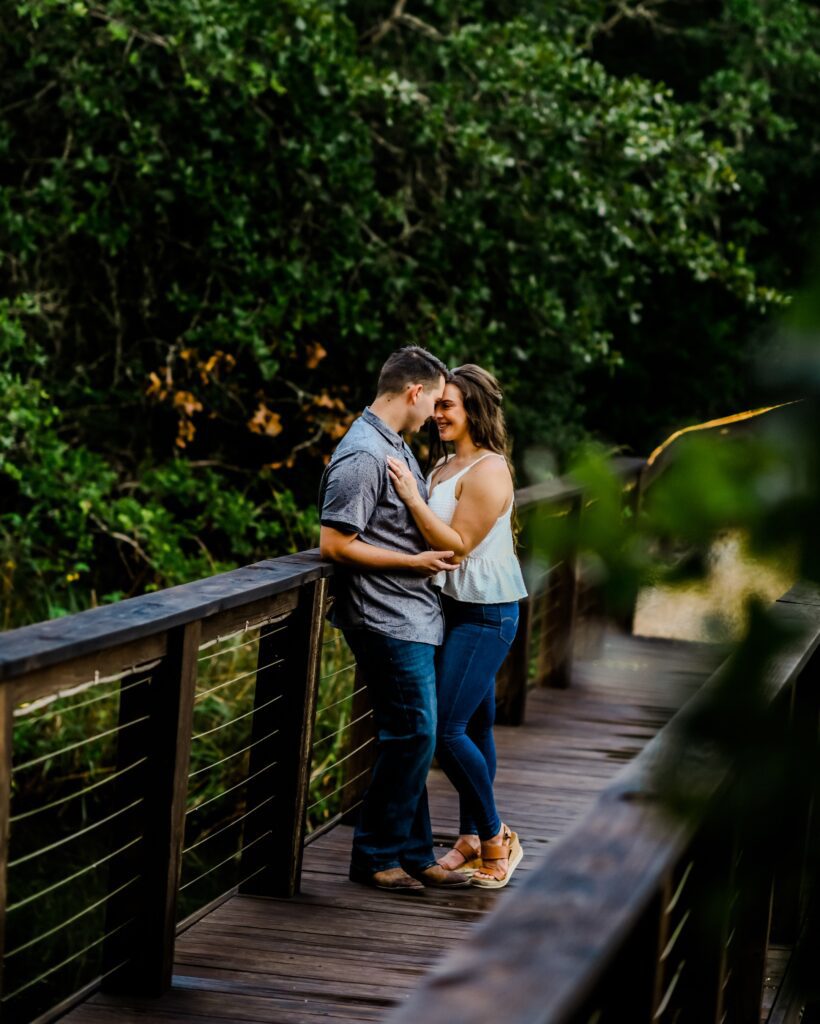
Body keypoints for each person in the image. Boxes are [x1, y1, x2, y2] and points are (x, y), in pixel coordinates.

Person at [319, 346, 470, 893]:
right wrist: (412, 562)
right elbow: (335, 544)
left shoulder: (395, 447)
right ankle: (376, 857)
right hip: (384, 616)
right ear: (414, 392)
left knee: (414, 737)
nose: (436, 411)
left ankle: (412, 851)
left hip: (410, 614)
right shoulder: (363, 454)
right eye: (434, 398)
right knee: (416, 733)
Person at [386, 363, 528, 889]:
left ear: (474, 411)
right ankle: (469, 838)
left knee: (445, 729)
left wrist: (411, 497)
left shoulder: (490, 470)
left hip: (486, 614)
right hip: (448, 608)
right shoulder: (444, 463)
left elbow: (456, 545)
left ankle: (496, 837)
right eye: (437, 404)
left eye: (448, 405)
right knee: (475, 724)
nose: (438, 413)